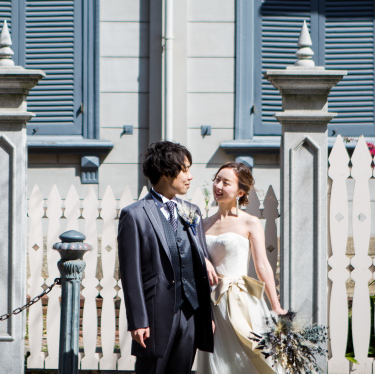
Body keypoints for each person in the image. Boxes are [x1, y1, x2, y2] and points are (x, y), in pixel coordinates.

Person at [117, 141, 218, 374]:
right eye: (185, 169)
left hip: (191, 311)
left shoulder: (192, 211)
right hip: (155, 314)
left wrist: (205, 314)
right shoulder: (134, 215)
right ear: (165, 171)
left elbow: (198, 261)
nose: (190, 176)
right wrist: (138, 320)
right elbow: (130, 274)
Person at [196, 162, 287, 374]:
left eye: (225, 182)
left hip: (241, 300)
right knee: (217, 360)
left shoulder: (250, 222)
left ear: (240, 192)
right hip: (211, 302)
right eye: (216, 179)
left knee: (247, 358)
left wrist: (275, 305)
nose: (218, 185)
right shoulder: (203, 223)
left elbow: (262, 264)